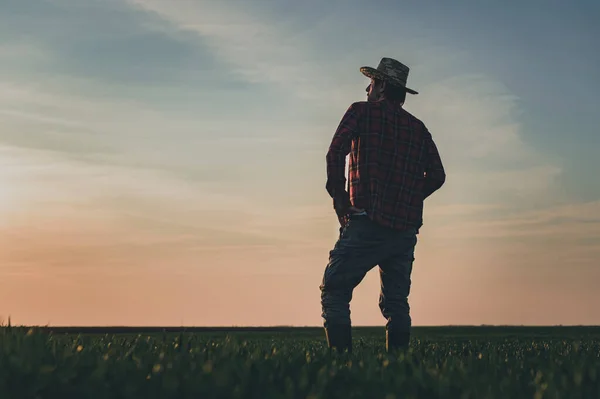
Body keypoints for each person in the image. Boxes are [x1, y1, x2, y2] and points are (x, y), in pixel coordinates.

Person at [320, 57, 446, 353]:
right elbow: (438, 175)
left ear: (382, 87)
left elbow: (335, 151)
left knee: (335, 290)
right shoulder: (419, 129)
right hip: (404, 231)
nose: (368, 88)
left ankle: (341, 366)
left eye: (373, 82)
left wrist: (339, 199)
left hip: (366, 222)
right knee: (396, 303)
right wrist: (410, 199)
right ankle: (397, 370)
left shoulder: (361, 112)